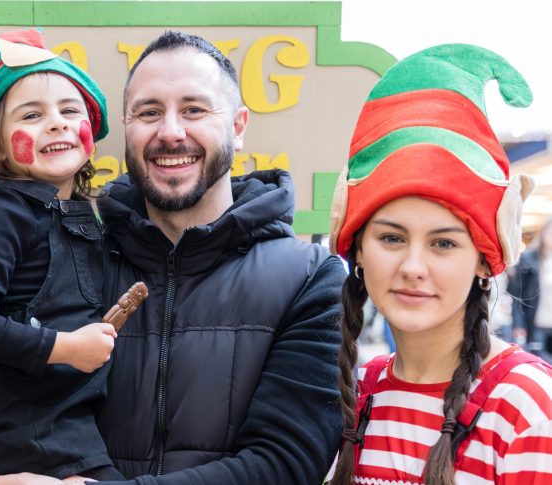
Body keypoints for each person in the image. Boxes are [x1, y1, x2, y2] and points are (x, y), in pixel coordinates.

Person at [91, 30, 344, 484]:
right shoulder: (78, 259)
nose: (170, 132)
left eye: (194, 109)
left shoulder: (310, 279)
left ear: (239, 126)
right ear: (126, 128)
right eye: (149, 112)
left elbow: (287, 464)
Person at [329, 44, 552, 484]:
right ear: (356, 249)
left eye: (443, 244)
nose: (413, 266)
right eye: (391, 237)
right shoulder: (361, 393)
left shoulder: (527, 407)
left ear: (485, 263)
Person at [0, 29, 124, 484]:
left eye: (69, 110)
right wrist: (67, 347)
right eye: (32, 115)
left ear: (90, 131)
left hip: (65, 421)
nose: (56, 123)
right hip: (1, 434)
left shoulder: (90, 216)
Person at [508, 219, 552, 359]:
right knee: (540, 364)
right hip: (536, 323)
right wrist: (518, 324)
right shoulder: (528, 259)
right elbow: (517, 295)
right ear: (543, 233)